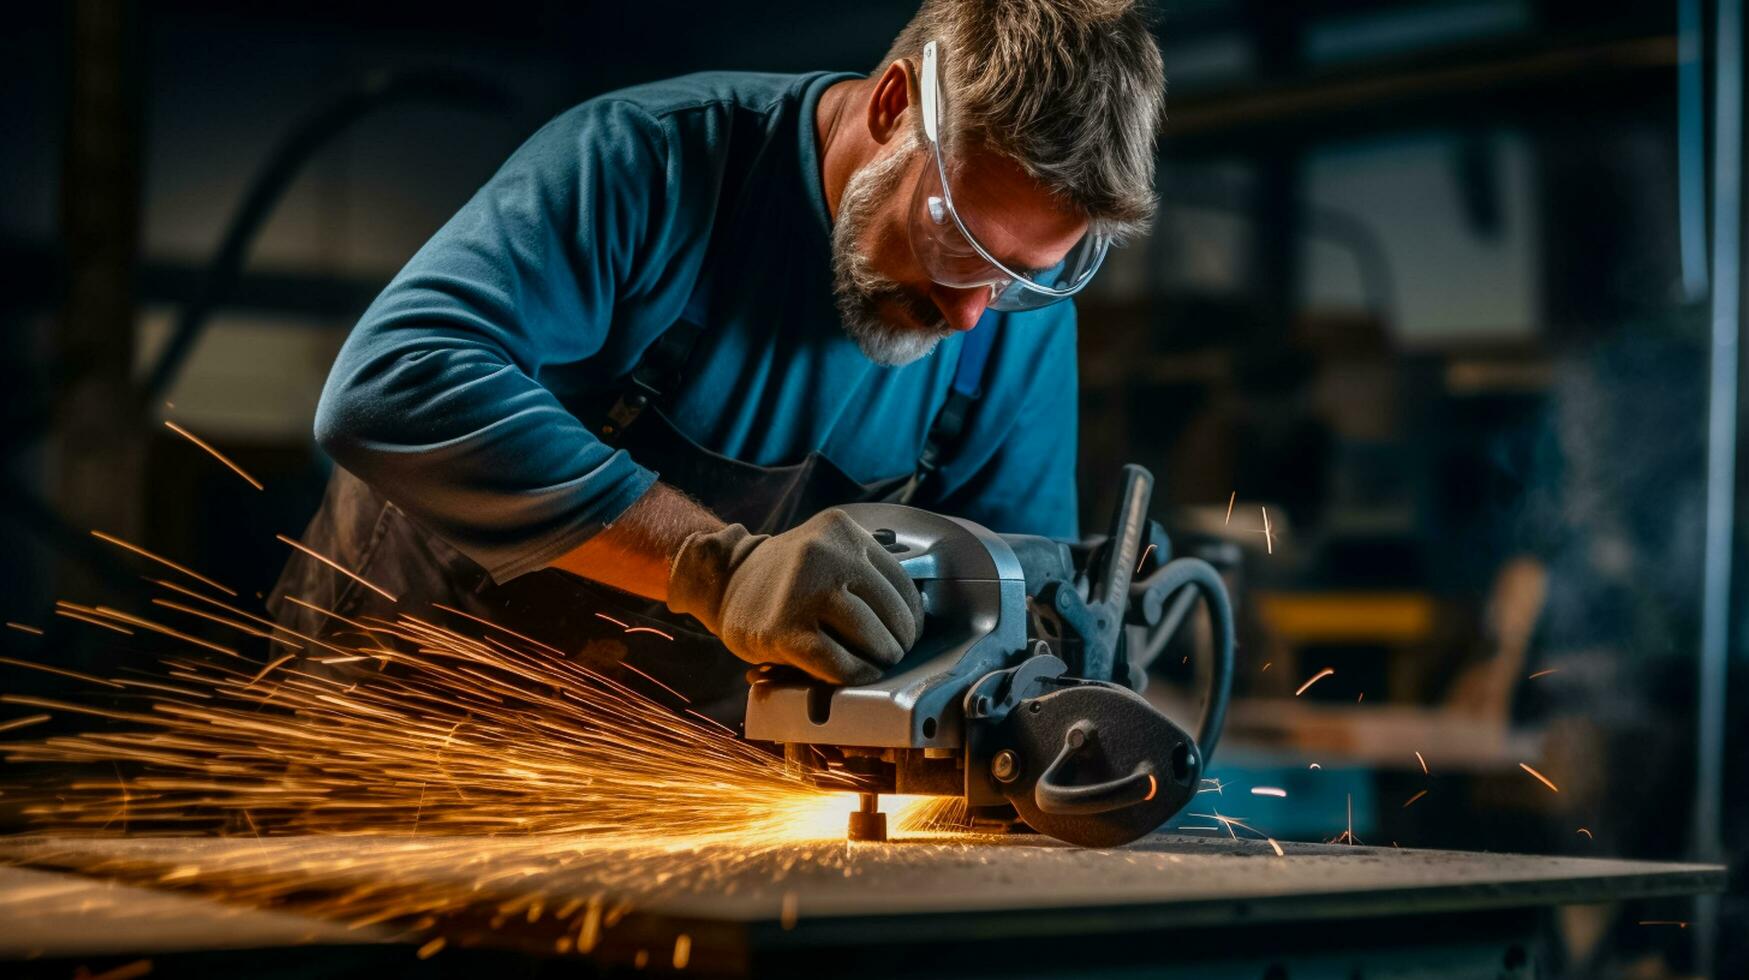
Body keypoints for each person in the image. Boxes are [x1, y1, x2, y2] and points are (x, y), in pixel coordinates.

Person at [269, 0, 1166, 717]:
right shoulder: (649, 161)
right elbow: (390, 384)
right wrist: (714, 567)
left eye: (1022, 273)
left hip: (677, 777)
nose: (973, 311)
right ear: (893, 108)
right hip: (399, 704)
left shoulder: (1013, 319)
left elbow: (1004, 610)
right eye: (959, 240)